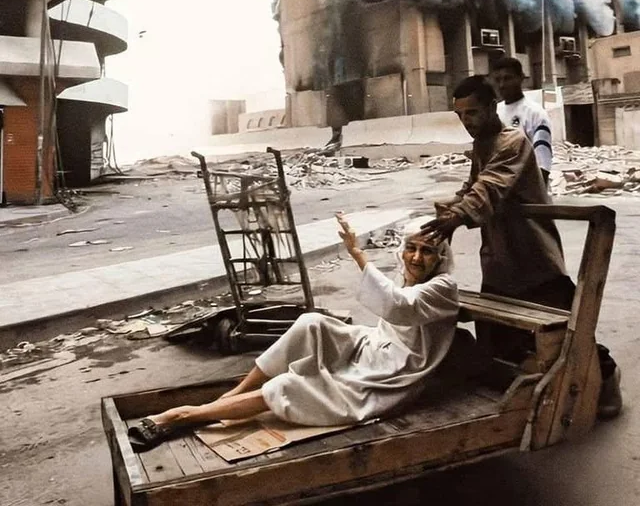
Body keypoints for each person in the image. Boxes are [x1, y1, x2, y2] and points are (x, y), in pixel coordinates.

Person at [128, 215, 459, 452]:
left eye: (427, 251)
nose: (416, 257)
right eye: (411, 248)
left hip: (394, 372)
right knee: (311, 322)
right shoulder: (408, 275)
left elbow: (397, 306)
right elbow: (391, 307)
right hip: (375, 344)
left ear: (441, 257)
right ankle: (234, 394)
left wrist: (358, 254)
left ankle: (182, 415)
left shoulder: (443, 286)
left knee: (289, 386)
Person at [420, 74, 622, 419]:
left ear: (492, 107)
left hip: (534, 258)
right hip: (500, 260)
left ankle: (607, 380)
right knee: (496, 337)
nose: (466, 121)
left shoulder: (512, 141)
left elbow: (489, 187)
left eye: (472, 113)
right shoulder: (482, 145)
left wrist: (458, 216)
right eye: (460, 115)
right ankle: (526, 393)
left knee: (569, 333)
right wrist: (446, 214)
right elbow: (471, 188)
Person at [492, 56, 553, 183]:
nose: (502, 85)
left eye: (507, 78)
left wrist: (535, 192)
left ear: (521, 78)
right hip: (500, 187)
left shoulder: (536, 113)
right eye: (497, 80)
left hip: (527, 188)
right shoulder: (494, 112)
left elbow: (543, 164)